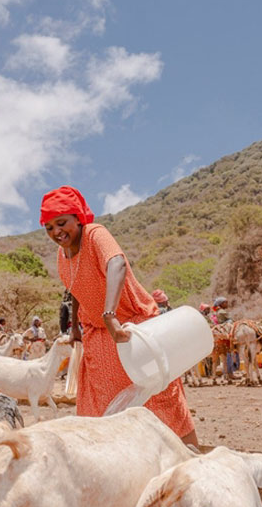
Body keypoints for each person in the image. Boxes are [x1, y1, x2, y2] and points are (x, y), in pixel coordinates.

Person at [40, 185, 197, 446]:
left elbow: (116, 263)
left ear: (78, 218)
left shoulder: (95, 235)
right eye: (49, 228)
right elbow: (75, 287)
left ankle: (192, 457)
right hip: (98, 336)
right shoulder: (62, 255)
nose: (57, 232)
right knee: (104, 402)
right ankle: (122, 461)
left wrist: (110, 315)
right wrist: (76, 326)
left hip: (131, 328)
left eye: (61, 223)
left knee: (159, 395)